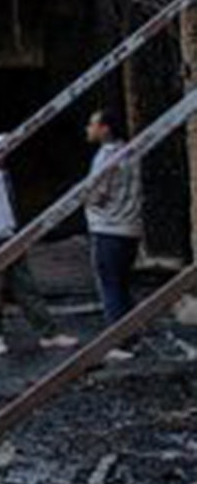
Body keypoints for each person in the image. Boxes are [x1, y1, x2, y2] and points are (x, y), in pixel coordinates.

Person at [0, 130, 76, 358]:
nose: (3, 154)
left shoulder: (4, 176)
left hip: (10, 237)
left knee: (27, 288)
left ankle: (48, 333)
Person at [84, 108, 143, 360]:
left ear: (105, 128)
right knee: (122, 284)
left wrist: (84, 197)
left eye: (92, 124)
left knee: (110, 287)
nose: (88, 128)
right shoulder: (131, 151)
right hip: (131, 227)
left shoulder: (106, 157)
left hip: (108, 228)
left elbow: (97, 193)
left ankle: (118, 343)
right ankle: (131, 336)